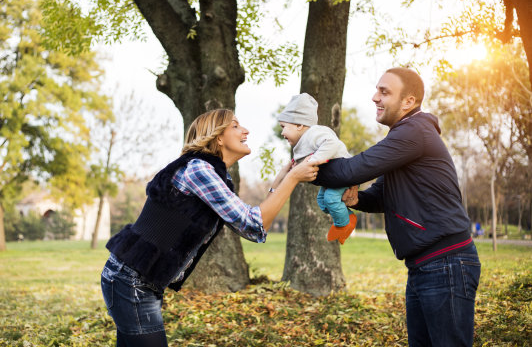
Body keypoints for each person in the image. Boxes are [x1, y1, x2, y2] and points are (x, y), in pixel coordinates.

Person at [101, 108, 320, 347]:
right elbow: (252, 222)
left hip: (139, 280)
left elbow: (251, 227)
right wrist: (292, 179)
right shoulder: (198, 169)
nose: (246, 130)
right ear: (218, 137)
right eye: (235, 126)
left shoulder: (214, 175)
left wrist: (281, 181)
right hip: (131, 280)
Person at [313, 67, 481, 347]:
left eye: (384, 92)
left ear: (408, 101)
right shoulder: (404, 137)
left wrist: (302, 168)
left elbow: (353, 169)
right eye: (377, 90)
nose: (374, 97)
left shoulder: (414, 132)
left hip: (446, 264)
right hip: (424, 266)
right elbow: (381, 195)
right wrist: (357, 200)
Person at [277, 92, 357, 244]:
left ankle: (343, 225)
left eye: (283, 127)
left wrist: (314, 160)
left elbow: (331, 143)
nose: (282, 132)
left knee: (330, 198)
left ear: (299, 125)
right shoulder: (301, 142)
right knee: (322, 201)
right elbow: (304, 162)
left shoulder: (315, 132)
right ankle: (347, 216)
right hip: (332, 178)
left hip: (345, 173)